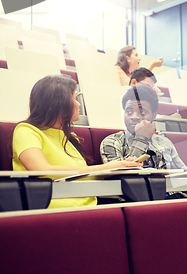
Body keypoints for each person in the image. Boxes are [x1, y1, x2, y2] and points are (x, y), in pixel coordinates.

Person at [12, 75, 141, 208]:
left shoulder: (69, 136)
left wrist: (119, 167)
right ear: (59, 103)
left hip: (90, 205)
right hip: (53, 209)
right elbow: (41, 170)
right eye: (74, 98)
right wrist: (105, 167)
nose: (79, 104)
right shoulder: (26, 130)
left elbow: (80, 176)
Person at [100, 84, 187, 172]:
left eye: (142, 112)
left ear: (154, 115)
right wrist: (140, 139)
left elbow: (180, 173)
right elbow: (121, 177)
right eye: (129, 112)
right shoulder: (112, 142)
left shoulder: (164, 142)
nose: (134, 117)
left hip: (169, 197)